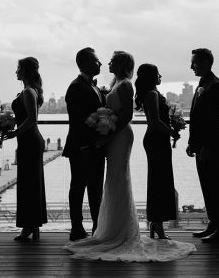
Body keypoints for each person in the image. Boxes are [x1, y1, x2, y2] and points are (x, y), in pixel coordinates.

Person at [64, 51, 195, 261]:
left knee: (117, 178)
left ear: (121, 64)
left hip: (120, 136)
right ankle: (108, 228)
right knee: (113, 181)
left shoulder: (125, 84)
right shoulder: (115, 83)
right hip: (112, 136)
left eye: (112, 61)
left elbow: (126, 116)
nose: (107, 62)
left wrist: (107, 135)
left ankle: (119, 230)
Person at [3, 57, 47, 241]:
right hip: (28, 139)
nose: (16, 72)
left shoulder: (29, 91)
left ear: (26, 71)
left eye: (18, 68)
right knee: (30, 183)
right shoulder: (29, 91)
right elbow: (24, 117)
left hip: (29, 140)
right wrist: (8, 122)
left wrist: (15, 133)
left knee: (29, 184)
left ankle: (29, 227)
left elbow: (32, 119)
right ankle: (32, 225)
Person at [63, 47, 106, 241]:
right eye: (97, 61)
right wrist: (85, 146)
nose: (101, 64)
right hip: (82, 146)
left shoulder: (94, 87)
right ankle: (77, 227)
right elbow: (77, 121)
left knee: (96, 187)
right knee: (79, 186)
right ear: (86, 63)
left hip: (96, 145)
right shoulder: (76, 87)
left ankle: (98, 225)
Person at [134, 64, 180, 240]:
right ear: (152, 77)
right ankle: (157, 224)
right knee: (159, 181)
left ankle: (156, 223)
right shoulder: (152, 94)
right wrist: (172, 132)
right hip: (156, 139)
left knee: (160, 180)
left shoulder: (151, 93)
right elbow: (155, 121)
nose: (160, 76)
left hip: (157, 139)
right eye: (157, 74)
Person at [186, 48, 219, 242]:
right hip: (200, 145)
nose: (191, 66)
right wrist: (191, 142)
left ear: (204, 63)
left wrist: (208, 146)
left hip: (211, 148)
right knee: (207, 186)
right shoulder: (203, 84)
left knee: (216, 188)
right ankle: (214, 223)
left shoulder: (215, 86)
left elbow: (214, 121)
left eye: (194, 62)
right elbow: (196, 117)